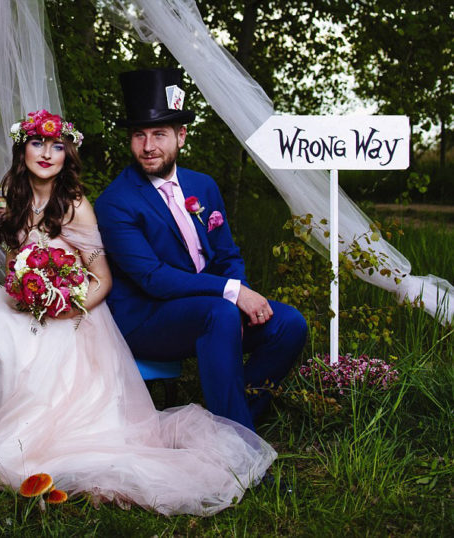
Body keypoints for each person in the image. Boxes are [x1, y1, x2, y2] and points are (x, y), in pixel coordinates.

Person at [0, 109, 276, 516]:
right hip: (19, 306)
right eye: (36, 144)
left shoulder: (74, 206)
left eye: (57, 147)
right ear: (23, 150)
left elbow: (102, 279)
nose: (46, 154)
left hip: (67, 320)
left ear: (67, 154)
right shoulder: (11, 196)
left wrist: (61, 304)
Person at [94, 68, 308, 433]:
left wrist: (235, 292)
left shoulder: (203, 186)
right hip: (146, 319)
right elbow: (153, 278)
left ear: (181, 136)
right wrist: (232, 294)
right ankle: (241, 453)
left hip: (208, 307)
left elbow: (227, 255)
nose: (148, 147)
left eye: (159, 134)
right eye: (138, 136)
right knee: (218, 315)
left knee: (289, 325)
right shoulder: (115, 202)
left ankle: (227, 427)